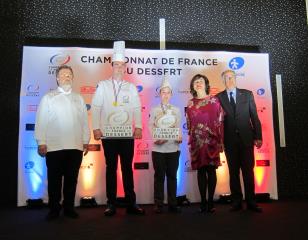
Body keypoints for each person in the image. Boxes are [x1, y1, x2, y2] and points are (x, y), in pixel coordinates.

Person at [91, 41, 145, 216]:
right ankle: (111, 203)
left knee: (127, 168)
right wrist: (96, 128)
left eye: (122, 65)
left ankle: (131, 203)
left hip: (126, 134)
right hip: (108, 134)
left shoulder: (130, 87)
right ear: (112, 66)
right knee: (111, 167)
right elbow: (97, 107)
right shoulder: (103, 85)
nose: (119, 68)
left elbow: (137, 108)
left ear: (125, 67)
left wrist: (138, 127)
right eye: (116, 65)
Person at [35, 65, 90, 220]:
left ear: (72, 78)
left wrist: (85, 140)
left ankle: (69, 208)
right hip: (54, 146)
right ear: (57, 78)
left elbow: (84, 122)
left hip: (75, 146)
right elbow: (41, 121)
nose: (66, 77)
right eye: (63, 74)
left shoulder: (79, 98)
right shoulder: (48, 98)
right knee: (54, 180)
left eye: (69, 74)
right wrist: (41, 142)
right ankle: (54, 209)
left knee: (72, 179)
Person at [216, 70, 263, 212]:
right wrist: (220, 141)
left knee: (248, 172)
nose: (229, 80)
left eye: (231, 77)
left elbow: (254, 116)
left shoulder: (247, 94)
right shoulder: (219, 97)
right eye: (226, 78)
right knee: (233, 172)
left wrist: (258, 136)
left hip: (247, 139)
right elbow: (217, 122)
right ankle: (236, 202)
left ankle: (251, 201)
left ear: (235, 78)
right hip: (229, 141)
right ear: (223, 81)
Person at [186, 74, 224, 213]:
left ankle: (210, 202)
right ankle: (202, 202)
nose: (198, 83)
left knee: (211, 170)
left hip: (212, 141)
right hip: (197, 143)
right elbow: (189, 126)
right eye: (196, 81)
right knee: (201, 171)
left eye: (201, 81)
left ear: (206, 84)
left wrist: (220, 142)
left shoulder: (215, 101)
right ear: (193, 86)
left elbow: (220, 123)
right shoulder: (190, 103)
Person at [148, 77, 182, 214]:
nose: (166, 95)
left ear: (171, 94)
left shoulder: (177, 110)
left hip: (173, 148)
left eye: (168, 92)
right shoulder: (154, 110)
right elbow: (150, 126)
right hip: (158, 149)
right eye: (163, 92)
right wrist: (156, 138)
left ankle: (173, 203)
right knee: (159, 176)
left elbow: (178, 127)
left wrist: (179, 137)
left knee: (173, 176)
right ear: (160, 94)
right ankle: (158, 204)